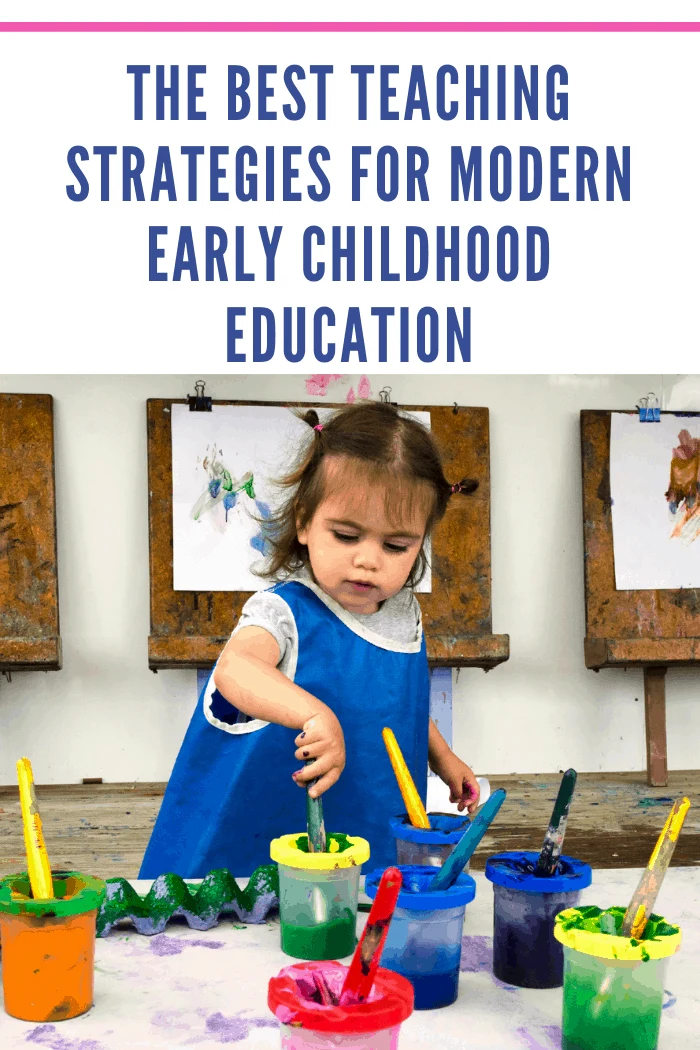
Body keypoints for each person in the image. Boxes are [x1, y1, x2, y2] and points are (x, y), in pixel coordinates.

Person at [139, 401, 481, 878]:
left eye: (396, 545)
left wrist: (442, 757)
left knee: (354, 924)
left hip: (367, 831)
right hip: (262, 844)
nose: (368, 560)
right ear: (303, 522)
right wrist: (313, 714)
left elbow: (395, 702)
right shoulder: (285, 612)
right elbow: (235, 670)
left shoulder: (405, 614)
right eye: (346, 535)